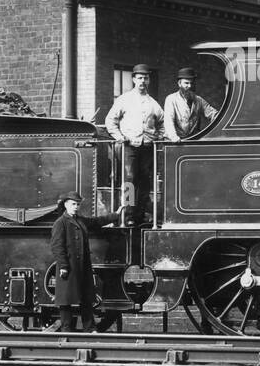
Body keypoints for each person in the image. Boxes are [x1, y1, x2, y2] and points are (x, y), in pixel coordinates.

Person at [103, 64, 163, 224]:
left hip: (148, 147)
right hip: (129, 147)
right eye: (140, 78)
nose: (143, 81)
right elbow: (110, 121)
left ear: (149, 80)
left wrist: (157, 136)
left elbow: (162, 124)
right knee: (129, 180)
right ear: (134, 79)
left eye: (146, 78)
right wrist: (119, 136)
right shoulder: (124, 100)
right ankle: (127, 215)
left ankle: (140, 215)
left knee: (145, 182)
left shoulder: (153, 103)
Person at [49, 190, 107, 331]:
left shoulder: (80, 220)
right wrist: (63, 265)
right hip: (69, 266)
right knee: (66, 300)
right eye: (74, 204)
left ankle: (89, 327)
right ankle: (66, 330)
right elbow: (57, 246)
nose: (76, 207)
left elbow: (97, 222)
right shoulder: (60, 223)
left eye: (78, 204)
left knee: (86, 298)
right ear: (67, 205)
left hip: (82, 266)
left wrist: (116, 215)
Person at [163, 67, 218, 141]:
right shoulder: (171, 99)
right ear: (179, 83)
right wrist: (174, 137)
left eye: (192, 83)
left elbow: (213, 114)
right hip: (175, 142)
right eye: (186, 83)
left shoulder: (199, 100)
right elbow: (169, 121)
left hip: (192, 141)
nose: (190, 86)